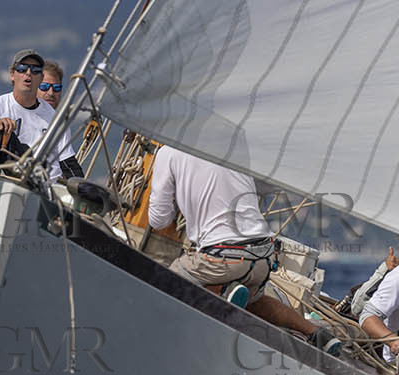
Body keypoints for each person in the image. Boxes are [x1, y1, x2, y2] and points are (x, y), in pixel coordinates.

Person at [145, 144, 344, 355]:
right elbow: (265, 184)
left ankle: (224, 291)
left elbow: (158, 220)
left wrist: (182, 194)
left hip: (222, 257)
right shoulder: (232, 147)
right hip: (263, 254)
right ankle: (314, 332)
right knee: (255, 301)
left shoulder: (169, 151)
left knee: (164, 283)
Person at [0, 50, 84, 181]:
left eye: (35, 70)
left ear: (41, 77)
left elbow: (67, 161)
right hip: (8, 183)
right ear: (12, 75)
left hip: (48, 189)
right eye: (22, 69)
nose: (28, 73)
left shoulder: (55, 118)